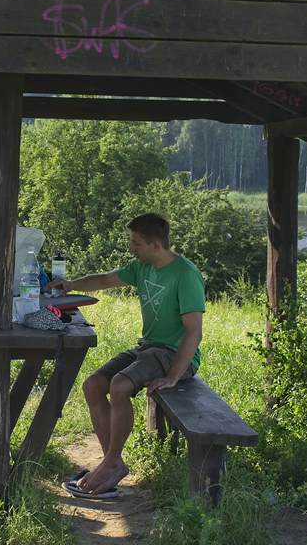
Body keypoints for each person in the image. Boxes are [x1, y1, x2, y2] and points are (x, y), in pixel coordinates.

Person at [47, 212, 204, 499]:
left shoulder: (185, 274)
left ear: (156, 245)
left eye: (136, 243)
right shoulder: (141, 267)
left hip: (174, 354)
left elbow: (194, 332)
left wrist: (173, 376)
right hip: (149, 347)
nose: (131, 248)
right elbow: (106, 279)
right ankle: (113, 462)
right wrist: (70, 285)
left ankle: (109, 463)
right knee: (93, 384)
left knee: (119, 385)